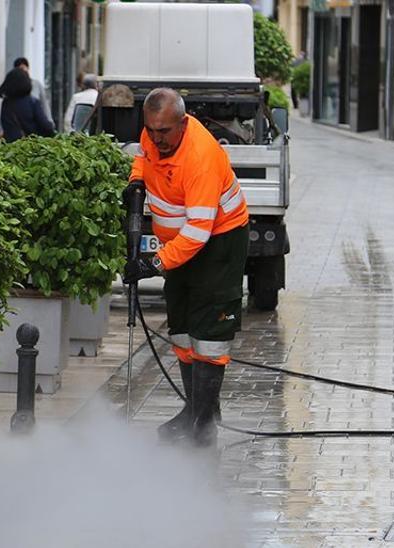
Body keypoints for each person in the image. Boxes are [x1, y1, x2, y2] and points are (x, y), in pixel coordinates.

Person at [122, 88, 249, 448]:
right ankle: (194, 408)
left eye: (164, 132)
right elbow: (143, 157)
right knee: (181, 326)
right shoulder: (152, 135)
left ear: (183, 122)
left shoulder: (201, 157)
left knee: (209, 331)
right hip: (179, 241)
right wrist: (135, 181)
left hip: (219, 242)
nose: (156, 138)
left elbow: (199, 230)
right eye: (151, 129)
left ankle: (204, 424)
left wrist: (154, 263)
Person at [0, 69, 55, 142]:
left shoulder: (6, 103)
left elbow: (7, 128)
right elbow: (45, 126)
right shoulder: (32, 102)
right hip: (32, 147)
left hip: (11, 149)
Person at [0, 57, 53, 124]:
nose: (23, 72)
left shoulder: (36, 85)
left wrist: (50, 121)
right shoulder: (12, 90)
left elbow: (44, 104)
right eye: (20, 69)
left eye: (24, 68)